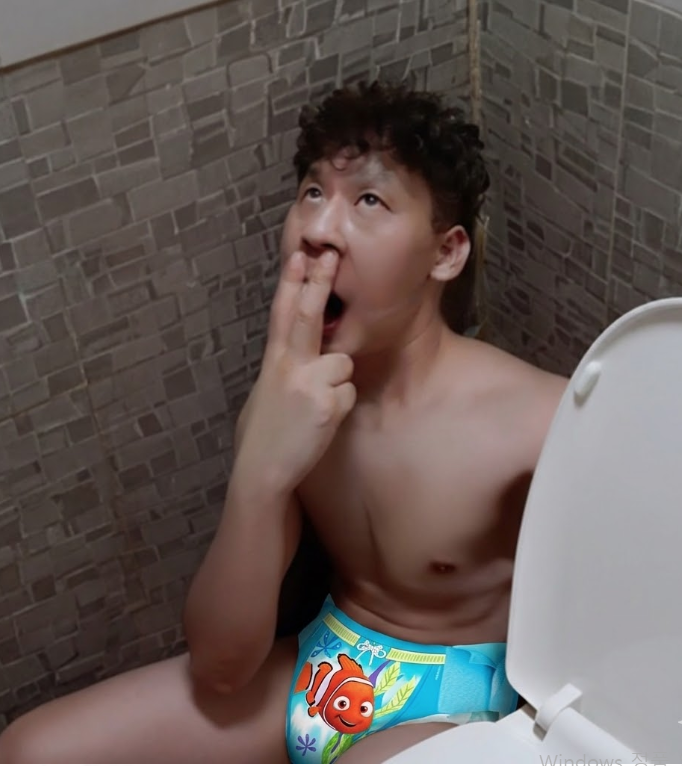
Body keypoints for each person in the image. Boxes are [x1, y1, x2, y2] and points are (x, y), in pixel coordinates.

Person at [0, 80, 567, 764]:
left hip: (459, 707)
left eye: (369, 200)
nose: (319, 229)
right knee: (31, 750)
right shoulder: (291, 400)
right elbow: (220, 667)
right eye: (313, 192)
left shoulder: (535, 421)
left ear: (445, 252)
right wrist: (260, 474)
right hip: (320, 664)